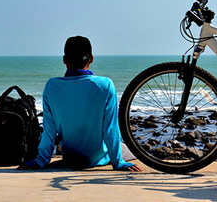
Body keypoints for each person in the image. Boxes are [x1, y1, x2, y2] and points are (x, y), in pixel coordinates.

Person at [18, 36, 142, 172]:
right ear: (91, 58)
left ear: (65, 60)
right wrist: (117, 162)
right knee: (129, 149)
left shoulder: (51, 86)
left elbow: (49, 130)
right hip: (97, 158)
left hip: (71, 157)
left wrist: (41, 160)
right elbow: (110, 128)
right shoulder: (105, 85)